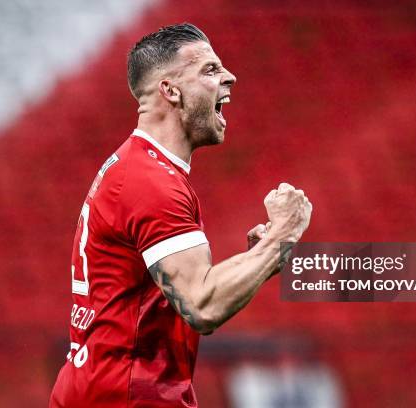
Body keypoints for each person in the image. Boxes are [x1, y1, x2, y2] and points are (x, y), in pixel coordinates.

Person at [49, 23, 312, 407]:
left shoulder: (144, 169)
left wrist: (264, 255)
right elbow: (202, 304)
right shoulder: (150, 183)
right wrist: (282, 236)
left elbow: (186, 291)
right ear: (170, 91)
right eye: (209, 69)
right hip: (125, 397)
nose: (230, 77)